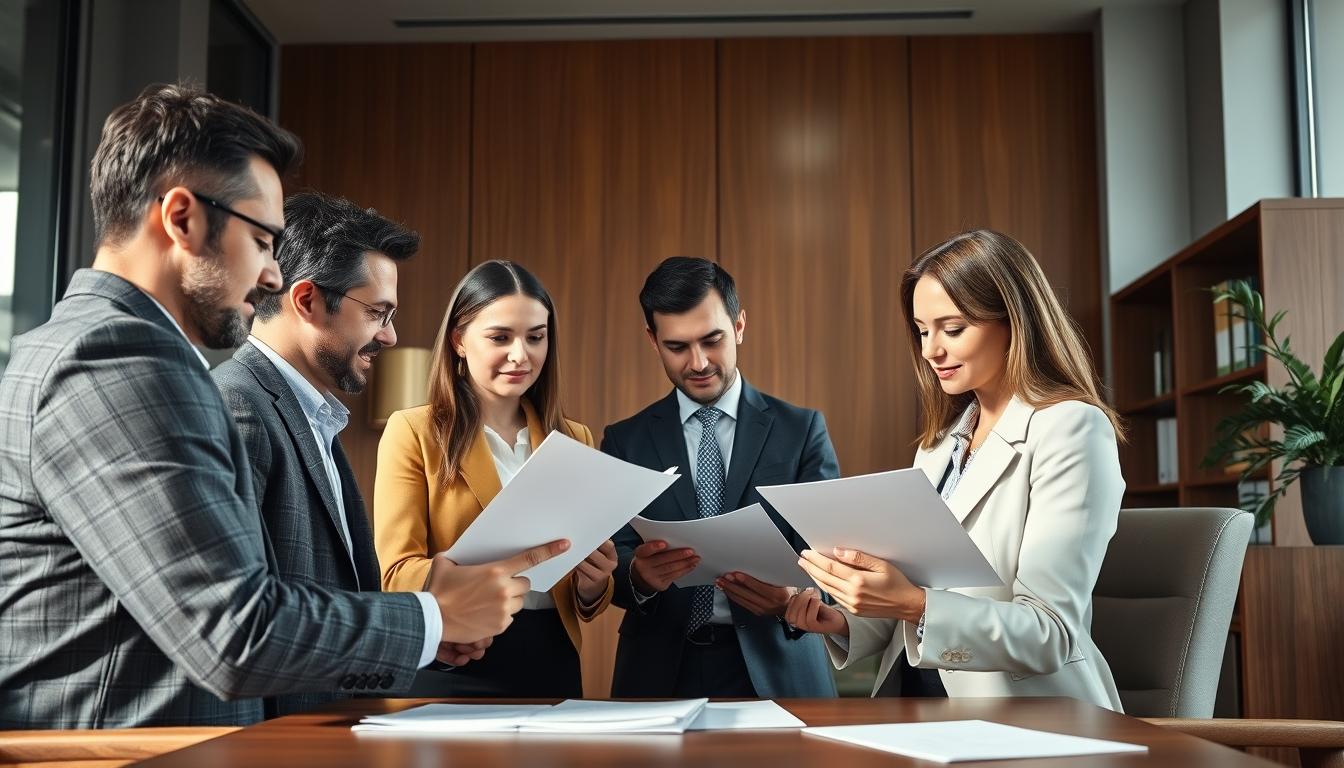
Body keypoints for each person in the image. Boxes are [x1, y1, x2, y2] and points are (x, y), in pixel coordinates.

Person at [0, 84, 565, 729]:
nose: (271, 274)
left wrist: (430, 634)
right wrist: (433, 616)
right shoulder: (116, 358)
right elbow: (233, 630)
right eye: (264, 239)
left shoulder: (115, 350)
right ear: (182, 218)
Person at [784, 229, 1126, 710]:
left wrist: (914, 604)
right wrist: (842, 619)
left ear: (1015, 321)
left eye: (953, 328)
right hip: (916, 707)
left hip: (1025, 719)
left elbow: (1050, 634)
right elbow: (919, 591)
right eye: (923, 331)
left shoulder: (1071, 428)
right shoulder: (939, 447)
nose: (930, 351)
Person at [212, 190, 469, 718]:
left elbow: (327, 604)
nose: (391, 336)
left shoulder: (313, 416)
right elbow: (251, 626)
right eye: (377, 312)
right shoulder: (239, 410)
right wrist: (427, 621)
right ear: (306, 300)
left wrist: (423, 642)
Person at [375, 260, 617, 697]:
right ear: (459, 341)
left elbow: (581, 598)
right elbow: (395, 575)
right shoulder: (413, 431)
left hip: (552, 657)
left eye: (535, 338)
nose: (521, 355)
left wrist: (593, 580)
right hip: (457, 654)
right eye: (500, 337)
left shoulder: (574, 437)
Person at [601, 256, 838, 698]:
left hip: (779, 663)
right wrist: (639, 578)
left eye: (713, 340)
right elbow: (611, 567)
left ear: (739, 326)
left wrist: (792, 597)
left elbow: (831, 557)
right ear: (652, 341)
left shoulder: (801, 430)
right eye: (677, 347)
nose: (698, 363)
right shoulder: (623, 441)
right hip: (659, 672)